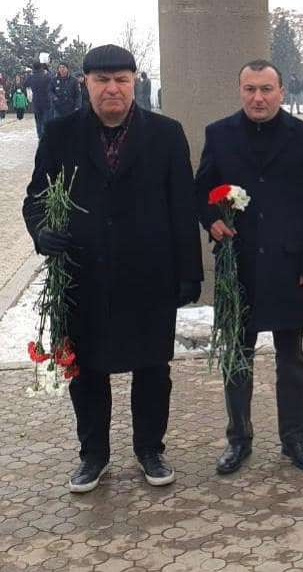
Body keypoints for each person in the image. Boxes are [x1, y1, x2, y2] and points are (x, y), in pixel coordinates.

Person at [22, 45, 203, 493]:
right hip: (83, 274)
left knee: (152, 367)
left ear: (134, 81)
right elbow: (37, 197)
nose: (112, 89)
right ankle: (93, 455)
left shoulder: (165, 133)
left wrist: (189, 272)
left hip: (149, 274)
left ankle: (150, 449)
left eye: (121, 79)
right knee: (87, 369)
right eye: (102, 80)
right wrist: (42, 232)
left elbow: (182, 206)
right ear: (86, 83)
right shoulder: (62, 134)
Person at [195, 59, 303, 474]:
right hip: (237, 266)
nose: (258, 98)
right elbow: (199, 191)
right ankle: (238, 439)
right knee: (237, 357)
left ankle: (294, 439)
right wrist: (211, 220)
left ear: (281, 92)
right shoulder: (219, 134)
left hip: (290, 266)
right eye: (250, 89)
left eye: (266, 89)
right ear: (240, 91)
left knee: (291, 360)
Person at [24, 61, 53, 138]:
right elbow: (52, 80)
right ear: (41, 67)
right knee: (46, 121)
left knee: (38, 122)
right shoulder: (46, 76)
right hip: (46, 102)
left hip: (36, 102)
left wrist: (29, 74)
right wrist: (48, 71)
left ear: (33, 68)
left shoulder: (31, 76)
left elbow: (25, 84)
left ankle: (40, 137)